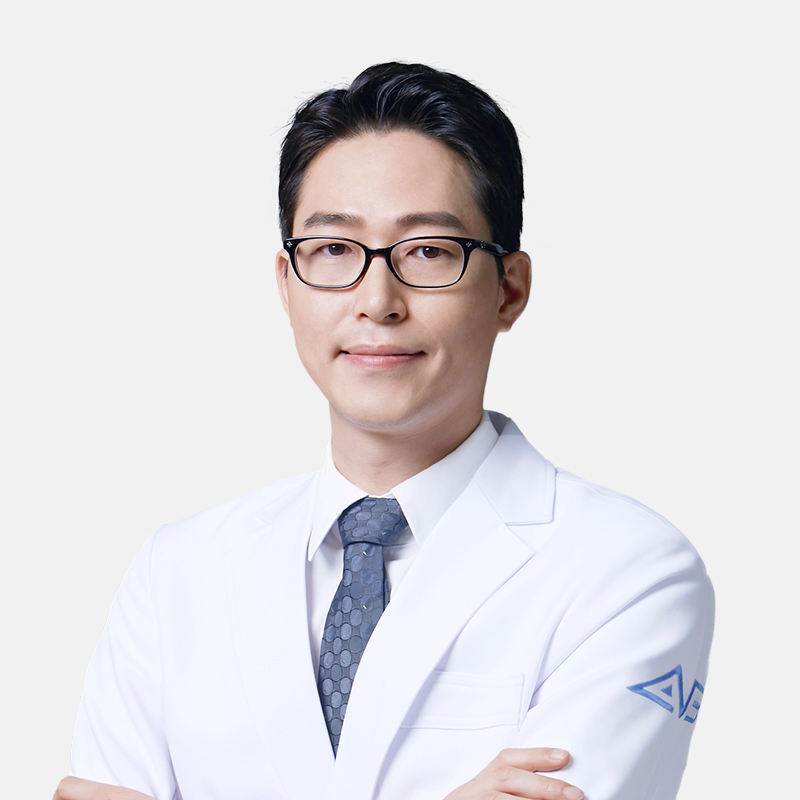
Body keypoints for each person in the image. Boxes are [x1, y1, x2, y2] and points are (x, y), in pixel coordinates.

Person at [55, 62, 714, 800]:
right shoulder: (176, 573)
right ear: (287, 284)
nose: (377, 300)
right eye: (334, 250)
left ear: (509, 288)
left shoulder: (629, 569)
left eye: (428, 251)